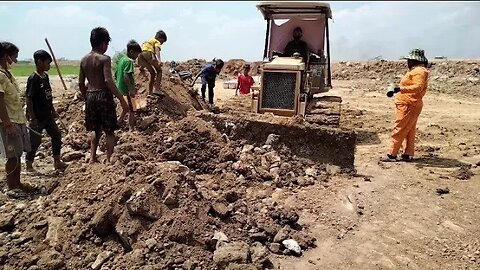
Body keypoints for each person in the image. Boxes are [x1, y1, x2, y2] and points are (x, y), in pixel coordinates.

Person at [78, 27, 129, 164]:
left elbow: (81, 83)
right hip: (103, 95)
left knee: (95, 129)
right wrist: (121, 99)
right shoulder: (105, 59)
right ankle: (109, 158)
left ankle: (93, 157)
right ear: (103, 43)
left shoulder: (83, 60)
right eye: (106, 44)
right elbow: (108, 81)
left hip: (90, 95)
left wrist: (86, 97)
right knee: (109, 130)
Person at [382, 48, 429, 162]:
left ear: (414, 60)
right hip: (409, 103)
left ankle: (392, 154)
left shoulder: (419, 71)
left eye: (409, 60)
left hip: (409, 104)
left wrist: (400, 89)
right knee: (409, 130)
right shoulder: (416, 71)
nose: (407, 62)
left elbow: (418, 87)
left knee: (399, 128)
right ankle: (407, 153)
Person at [0, 42, 35, 194]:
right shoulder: (0, 75)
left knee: (18, 154)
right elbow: (0, 100)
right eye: (13, 56)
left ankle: (17, 183)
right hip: (9, 121)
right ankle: (11, 187)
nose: (15, 60)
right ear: (5, 56)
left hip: (18, 119)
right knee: (12, 156)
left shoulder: (8, 74)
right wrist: (7, 124)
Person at [25, 50, 67, 172]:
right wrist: (32, 117)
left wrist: (53, 110)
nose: (49, 65)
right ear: (39, 62)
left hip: (47, 114)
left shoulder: (45, 77)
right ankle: (29, 163)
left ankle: (57, 161)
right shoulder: (34, 79)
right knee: (35, 140)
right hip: (37, 116)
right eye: (47, 63)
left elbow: (48, 95)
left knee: (56, 134)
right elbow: (29, 98)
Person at [115, 40, 142, 131]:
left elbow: (115, 74)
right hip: (127, 90)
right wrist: (131, 89)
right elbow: (126, 75)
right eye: (137, 54)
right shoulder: (129, 61)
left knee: (126, 107)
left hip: (120, 88)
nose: (137, 57)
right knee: (133, 109)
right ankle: (131, 129)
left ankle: (119, 121)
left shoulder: (121, 60)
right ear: (131, 52)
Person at [137, 30, 167, 97]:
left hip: (140, 55)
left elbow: (144, 51)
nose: (162, 43)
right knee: (159, 71)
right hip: (149, 53)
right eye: (162, 41)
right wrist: (159, 60)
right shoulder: (157, 41)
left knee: (153, 74)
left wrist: (142, 67)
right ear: (160, 38)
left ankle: (150, 93)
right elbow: (157, 49)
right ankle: (156, 89)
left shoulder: (148, 41)